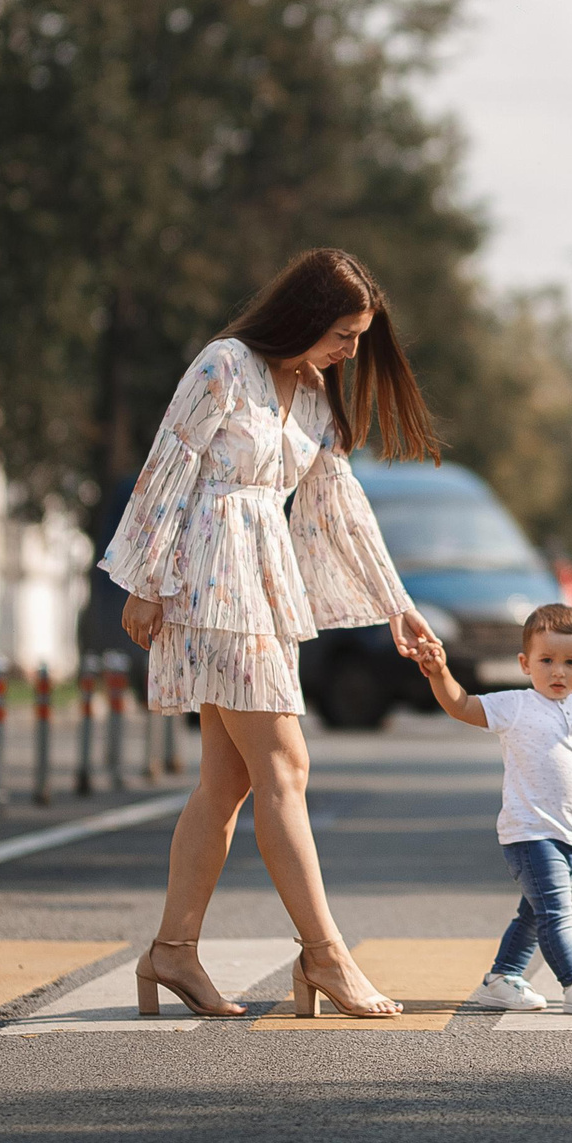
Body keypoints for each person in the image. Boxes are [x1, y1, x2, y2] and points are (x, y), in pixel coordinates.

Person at [105, 248, 444, 1021]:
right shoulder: (224, 365)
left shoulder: (315, 394)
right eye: (344, 333)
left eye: (361, 337)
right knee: (287, 762)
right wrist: (146, 579)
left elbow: (341, 503)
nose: (353, 350)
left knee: (228, 783)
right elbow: (169, 465)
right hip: (206, 580)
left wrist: (398, 603)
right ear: (303, 315)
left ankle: (172, 952)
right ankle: (325, 955)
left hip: (263, 583)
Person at [412, 603, 572, 1016]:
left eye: (569, 662)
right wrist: (439, 672)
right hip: (529, 833)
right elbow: (461, 706)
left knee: (533, 914)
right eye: (546, 661)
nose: (557, 672)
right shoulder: (514, 705)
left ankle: (502, 979)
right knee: (556, 913)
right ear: (524, 663)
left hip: (571, 836)